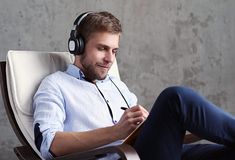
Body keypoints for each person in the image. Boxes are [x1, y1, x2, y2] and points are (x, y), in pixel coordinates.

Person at [33, 11, 235, 160]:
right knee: (175, 98)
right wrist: (117, 132)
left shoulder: (116, 85)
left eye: (114, 51)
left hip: (140, 152)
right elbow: (50, 145)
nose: (109, 59)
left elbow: (141, 134)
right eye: (102, 48)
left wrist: (148, 125)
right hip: (121, 157)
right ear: (77, 46)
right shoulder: (54, 85)